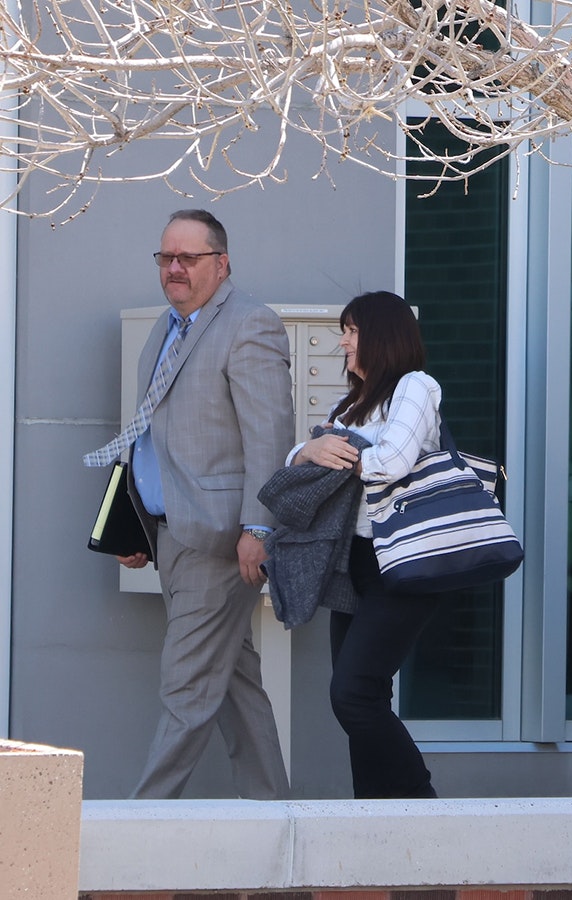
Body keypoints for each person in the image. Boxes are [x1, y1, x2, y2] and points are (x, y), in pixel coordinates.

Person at [82, 209, 294, 799]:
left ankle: (143, 824)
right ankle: (273, 815)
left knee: (185, 688)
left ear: (221, 264)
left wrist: (260, 525)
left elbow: (270, 436)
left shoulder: (250, 324)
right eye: (165, 258)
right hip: (172, 538)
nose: (174, 269)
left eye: (188, 258)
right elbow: (150, 437)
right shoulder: (168, 326)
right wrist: (136, 528)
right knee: (232, 684)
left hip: (219, 541)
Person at [286, 291, 444, 799]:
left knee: (351, 695)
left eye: (352, 331)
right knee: (368, 694)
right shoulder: (352, 403)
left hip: (402, 558)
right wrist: (310, 448)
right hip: (353, 560)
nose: (343, 342)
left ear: (381, 335)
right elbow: (299, 458)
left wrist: (339, 450)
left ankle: (421, 804)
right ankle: (374, 816)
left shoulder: (415, 387)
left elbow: (392, 460)